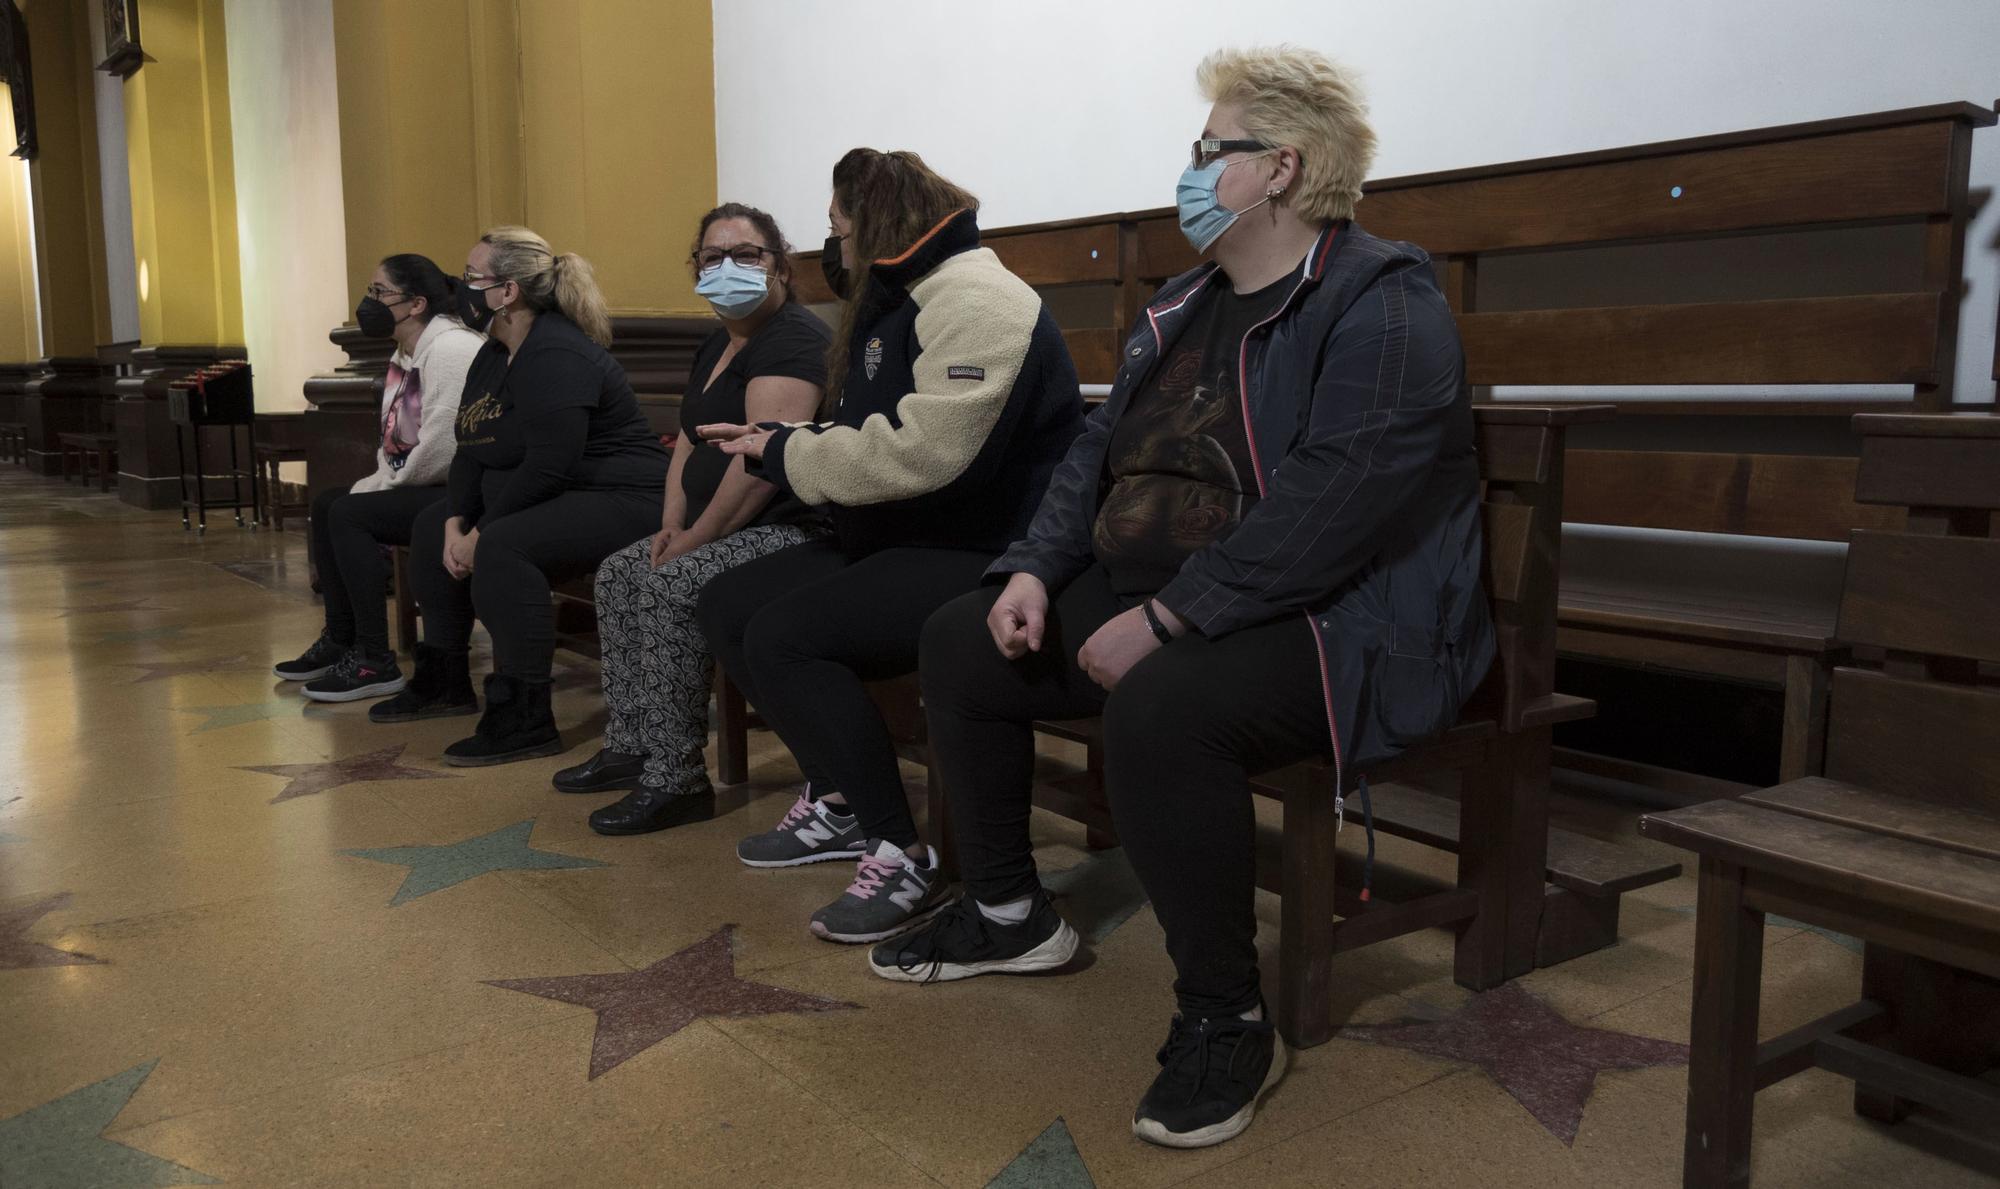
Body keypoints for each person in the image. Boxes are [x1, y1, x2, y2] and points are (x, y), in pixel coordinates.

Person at [875, 48, 1495, 1151]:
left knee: (1160, 707)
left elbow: (1332, 506)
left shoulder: (1381, 304)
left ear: (1280, 169)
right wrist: (1028, 570)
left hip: (1343, 618)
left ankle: (1223, 1012)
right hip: (1175, 591)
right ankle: (1013, 913)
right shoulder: (1181, 303)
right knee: (962, 639)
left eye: (1209, 150)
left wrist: (1170, 618)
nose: (1189, 170)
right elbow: (1091, 459)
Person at [695, 149, 1084, 943]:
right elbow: (870, 427)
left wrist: (783, 454)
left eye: (837, 227)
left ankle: (899, 848)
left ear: (875, 223)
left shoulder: (977, 295)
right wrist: (783, 438)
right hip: (913, 531)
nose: (832, 244)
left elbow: (929, 452)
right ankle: (840, 801)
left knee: (788, 636)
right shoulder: (905, 296)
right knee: (726, 601)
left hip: (986, 549)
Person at [556, 204, 832, 835]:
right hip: (715, 523)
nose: (727, 268)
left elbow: (759, 460)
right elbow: (688, 440)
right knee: (618, 573)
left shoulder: (792, 340)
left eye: (746, 255)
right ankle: (634, 742)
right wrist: (672, 521)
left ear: (780, 267)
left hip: (790, 528)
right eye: (713, 258)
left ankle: (676, 777)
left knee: (667, 585)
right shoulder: (719, 339)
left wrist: (698, 539)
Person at [375, 226, 671, 766]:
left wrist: (482, 533)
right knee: (428, 522)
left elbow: (550, 465)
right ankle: (443, 677)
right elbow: (470, 445)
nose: (460, 288)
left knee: (505, 546)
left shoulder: (556, 350)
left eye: (470, 278)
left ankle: (525, 715)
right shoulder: (494, 352)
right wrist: (456, 520)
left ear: (507, 291)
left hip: (626, 495)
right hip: (564, 491)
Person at [275, 254, 482, 701]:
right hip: (424, 483)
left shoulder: (450, 350)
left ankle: (374, 661)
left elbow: (444, 445)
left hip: (458, 489)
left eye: (380, 293)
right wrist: (379, 479)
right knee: (328, 502)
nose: (369, 302)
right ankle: (342, 638)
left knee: (350, 514)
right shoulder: (406, 352)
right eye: (370, 291)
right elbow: (395, 436)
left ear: (415, 304)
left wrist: (383, 485)